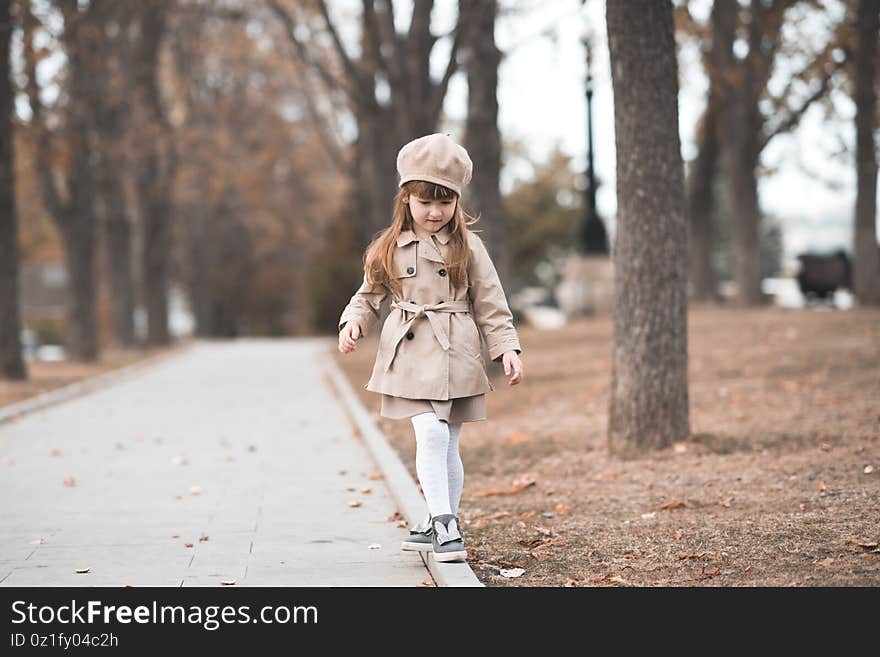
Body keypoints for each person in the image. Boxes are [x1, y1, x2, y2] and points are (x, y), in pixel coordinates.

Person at [337, 133, 524, 563]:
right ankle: (445, 524)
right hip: (407, 349)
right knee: (430, 431)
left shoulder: (468, 246)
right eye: (426, 202)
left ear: (457, 201)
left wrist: (507, 348)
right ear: (406, 199)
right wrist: (353, 322)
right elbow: (369, 295)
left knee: (448, 443)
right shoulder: (387, 246)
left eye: (446, 202)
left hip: (456, 350)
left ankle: (433, 523)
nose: (436, 212)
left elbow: (492, 303)